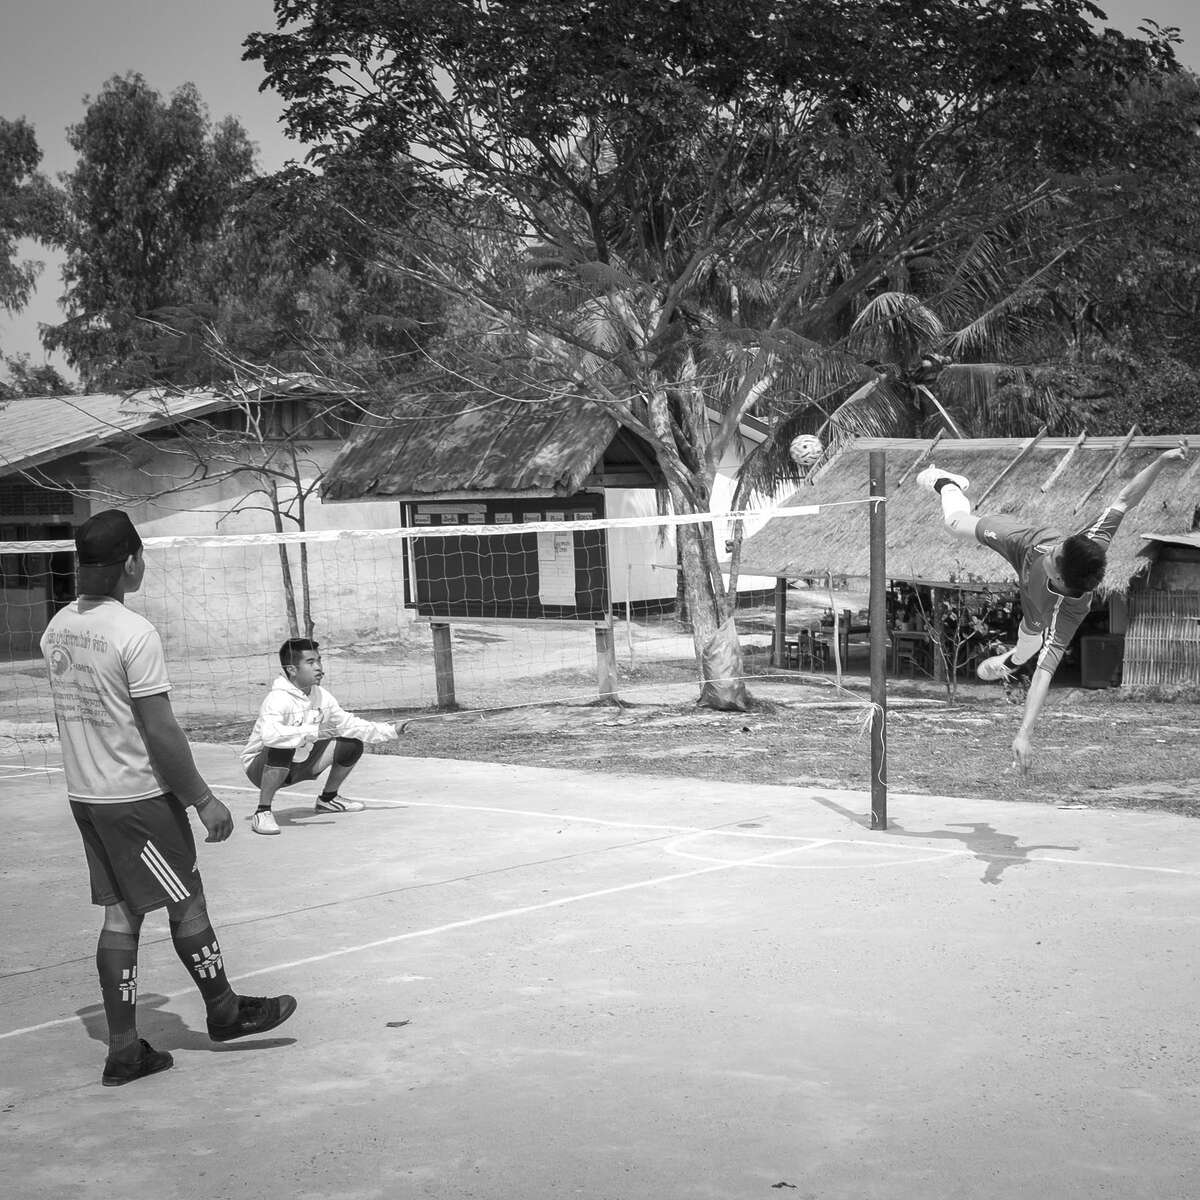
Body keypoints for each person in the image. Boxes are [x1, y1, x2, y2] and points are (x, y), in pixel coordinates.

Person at [40, 510, 297, 1087]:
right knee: (187, 899)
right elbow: (159, 731)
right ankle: (224, 1011)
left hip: (87, 796)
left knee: (121, 913)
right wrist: (202, 798)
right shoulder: (135, 633)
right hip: (136, 799)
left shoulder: (57, 627)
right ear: (132, 562)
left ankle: (125, 1051)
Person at [918, 445, 1187, 770]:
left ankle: (1013, 660)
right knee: (953, 524)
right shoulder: (1087, 545)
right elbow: (1125, 500)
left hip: (1036, 611)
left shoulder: (1066, 613)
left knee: (1031, 644)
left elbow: (1044, 675)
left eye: (1054, 556)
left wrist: (1024, 734)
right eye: (1060, 548)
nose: (1052, 550)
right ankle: (949, 483)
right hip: (1022, 541)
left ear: (1060, 580)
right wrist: (1160, 461)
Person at [241, 638, 399, 835]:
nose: (319, 667)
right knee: (283, 744)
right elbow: (270, 736)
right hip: (260, 769)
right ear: (292, 669)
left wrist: (391, 730)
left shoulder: (321, 695)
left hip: (299, 763)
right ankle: (262, 811)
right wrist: (314, 732)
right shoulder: (277, 698)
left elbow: (348, 724)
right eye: (310, 662)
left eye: (319, 660)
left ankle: (328, 799)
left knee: (350, 744)